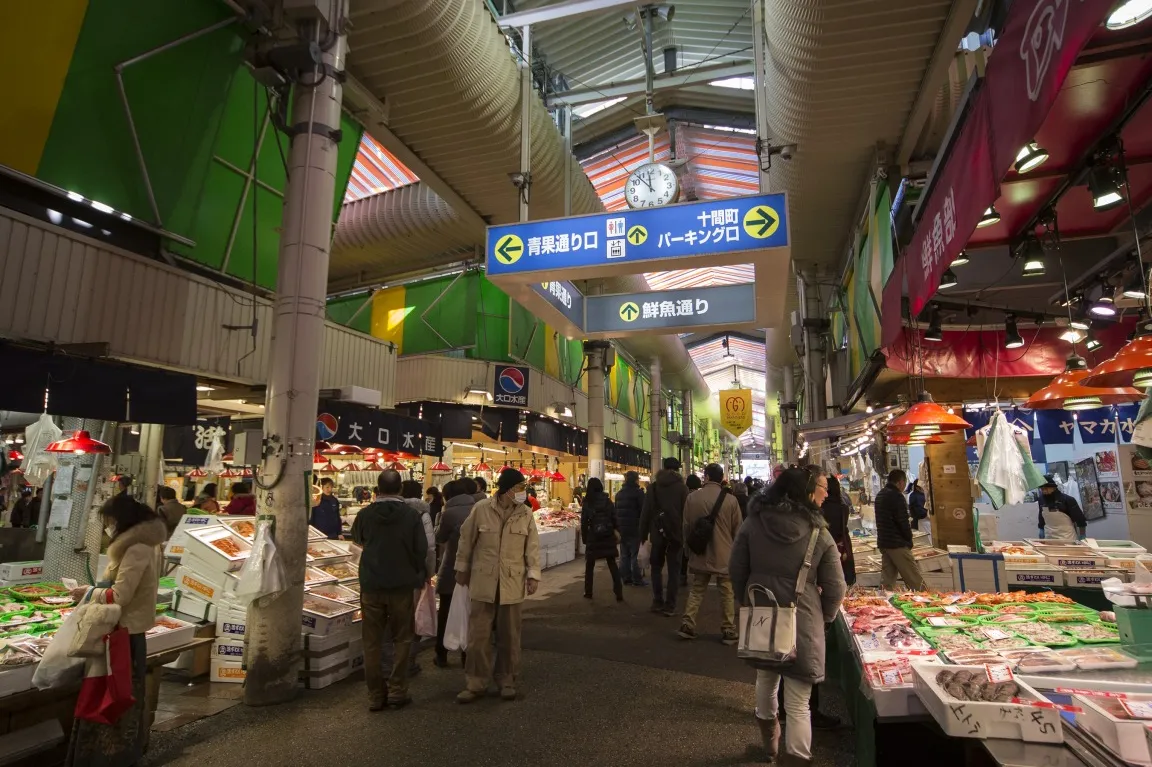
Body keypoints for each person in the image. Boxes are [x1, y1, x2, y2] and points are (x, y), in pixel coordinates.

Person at [729, 468, 847, 766]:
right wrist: (826, 618)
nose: (826, 493)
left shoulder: (754, 521)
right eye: (821, 487)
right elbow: (836, 586)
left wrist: (748, 600)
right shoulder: (819, 532)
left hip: (763, 614)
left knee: (765, 681)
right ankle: (796, 759)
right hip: (804, 619)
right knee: (798, 703)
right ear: (807, 493)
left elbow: (736, 568)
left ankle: (769, 749)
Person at [66, 494, 165, 766]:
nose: (108, 526)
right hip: (129, 631)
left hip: (123, 633)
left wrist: (89, 592)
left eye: (109, 521)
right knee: (123, 695)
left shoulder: (136, 549)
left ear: (122, 520)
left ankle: (108, 757)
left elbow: (121, 595)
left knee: (113, 695)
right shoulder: (148, 545)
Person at [455, 468, 541, 704]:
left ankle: (507, 680)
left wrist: (533, 575)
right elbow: (466, 539)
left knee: (510, 636)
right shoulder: (481, 509)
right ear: (508, 489)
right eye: (520, 488)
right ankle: (475, 682)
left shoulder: (525, 514)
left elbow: (532, 547)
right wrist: (461, 569)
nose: (524, 492)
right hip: (483, 581)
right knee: (478, 636)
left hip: (512, 582)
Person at [351, 470, 428, 710]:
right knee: (402, 638)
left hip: (372, 585)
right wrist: (415, 573)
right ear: (400, 490)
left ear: (377, 489)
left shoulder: (365, 515)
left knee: (372, 641)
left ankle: (375, 695)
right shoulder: (411, 516)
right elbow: (421, 550)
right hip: (402, 585)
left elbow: (357, 539)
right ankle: (397, 690)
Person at [679, 463, 743, 644]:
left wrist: (687, 548)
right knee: (726, 592)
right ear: (721, 477)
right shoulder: (731, 500)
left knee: (697, 589)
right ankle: (728, 629)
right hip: (724, 553)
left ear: (706, 477)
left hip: (700, 551)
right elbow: (738, 530)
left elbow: (686, 526)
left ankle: (688, 624)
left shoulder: (693, 498)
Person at [639, 457, 690, 617]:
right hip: (676, 535)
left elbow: (645, 513)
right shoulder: (683, 488)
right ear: (678, 470)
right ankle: (670, 605)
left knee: (656, 568)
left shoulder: (653, 488)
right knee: (674, 570)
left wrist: (642, 535)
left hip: (657, 534)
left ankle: (657, 601)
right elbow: (686, 514)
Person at [434, 479, 474, 668]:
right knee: (471, 613)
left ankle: (442, 654)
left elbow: (440, 538)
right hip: (475, 570)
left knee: (446, 612)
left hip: (453, 568)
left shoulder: (448, 513)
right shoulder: (479, 509)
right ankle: (468, 655)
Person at [876, 469, 926, 590]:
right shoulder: (897, 496)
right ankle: (926, 604)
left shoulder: (880, 494)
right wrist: (909, 539)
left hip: (884, 543)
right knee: (915, 580)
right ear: (900, 482)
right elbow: (903, 522)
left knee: (887, 581)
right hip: (897, 544)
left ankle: (883, 605)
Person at [581, 478, 623, 602]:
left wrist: (585, 539)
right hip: (607, 535)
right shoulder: (608, 501)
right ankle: (619, 592)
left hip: (593, 537)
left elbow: (584, 522)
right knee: (612, 564)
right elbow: (614, 518)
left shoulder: (588, 502)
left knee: (590, 565)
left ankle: (588, 592)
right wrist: (616, 531)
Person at [401, 480, 437, 597]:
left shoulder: (394, 510)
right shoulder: (423, 514)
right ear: (419, 494)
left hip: (390, 569)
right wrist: (429, 573)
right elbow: (430, 547)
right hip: (415, 569)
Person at [821, 475, 856, 586]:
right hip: (841, 547)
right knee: (841, 579)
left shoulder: (819, 508)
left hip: (823, 547)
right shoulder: (843, 507)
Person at [614, 471, 646, 586]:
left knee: (624, 555)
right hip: (634, 528)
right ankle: (637, 579)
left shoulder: (619, 494)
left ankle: (626, 578)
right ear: (636, 480)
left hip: (622, 529)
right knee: (635, 556)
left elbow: (615, 513)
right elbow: (643, 512)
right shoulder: (638, 494)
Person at [1038, 475, 1088, 541]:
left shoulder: (1067, 500)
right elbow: (1041, 517)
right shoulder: (1041, 500)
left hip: (1067, 537)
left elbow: (1080, 519)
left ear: (1053, 487)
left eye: (1046, 488)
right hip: (1049, 537)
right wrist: (1041, 529)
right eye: (1042, 489)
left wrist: (1082, 535)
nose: (1044, 491)